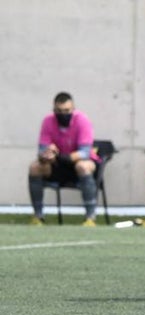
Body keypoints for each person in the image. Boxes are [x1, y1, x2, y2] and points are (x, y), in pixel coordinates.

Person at [28, 92, 100, 226]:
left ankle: (90, 217)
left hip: (77, 165)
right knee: (35, 167)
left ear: (73, 109)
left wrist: (63, 156)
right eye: (59, 111)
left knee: (83, 166)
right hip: (56, 165)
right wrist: (46, 155)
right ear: (54, 110)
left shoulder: (82, 120)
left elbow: (84, 152)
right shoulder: (48, 121)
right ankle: (38, 216)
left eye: (67, 111)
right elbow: (42, 150)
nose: (63, 114)